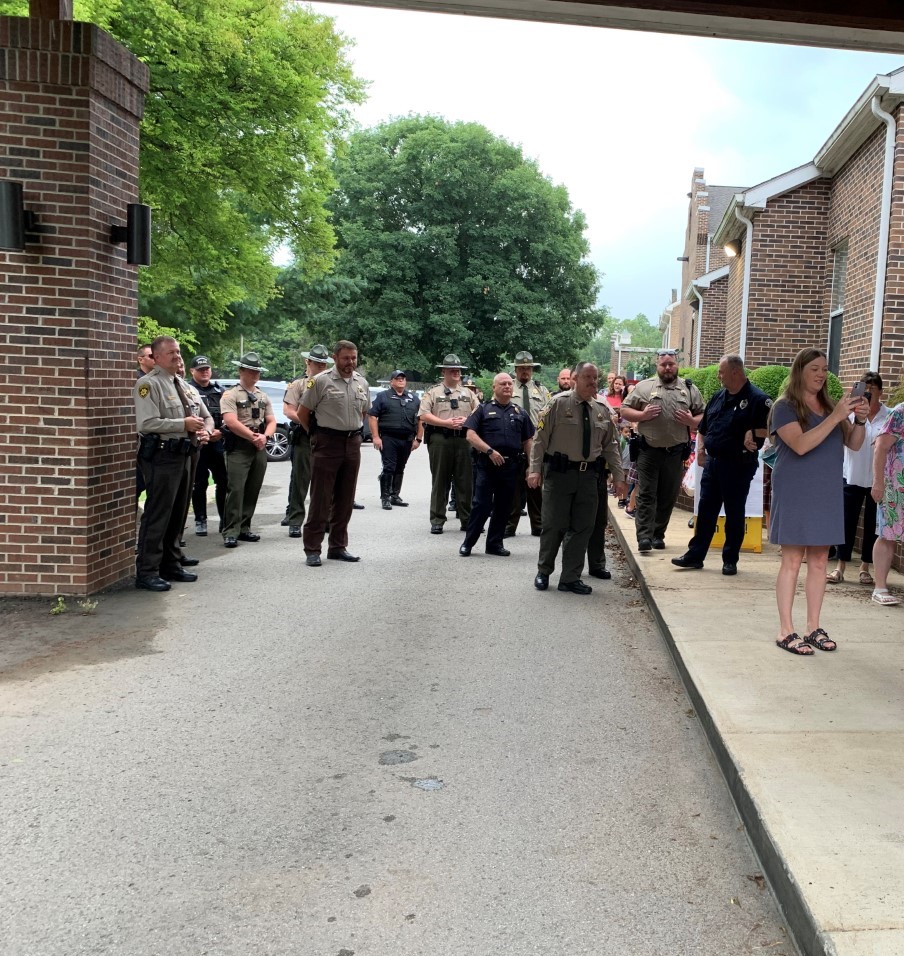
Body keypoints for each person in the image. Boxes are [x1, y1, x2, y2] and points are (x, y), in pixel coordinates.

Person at [768, 347, 866, 654]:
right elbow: (799, 445)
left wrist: (859, 422)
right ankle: (785, 630)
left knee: (821, 561)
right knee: (793, 560)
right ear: (800, 371)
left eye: (825, 369)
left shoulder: (829, 405)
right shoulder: (785, 406)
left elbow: (853, 443)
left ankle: (813, 627)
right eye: (815, 369)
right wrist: (837, 415)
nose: (822, 374)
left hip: (826, 490)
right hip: (796, 489)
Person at [529, 361, 626, 594]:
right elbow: (540, 440)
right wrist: (534, 470)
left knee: (583, 527)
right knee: (554, 525)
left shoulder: (601, 409)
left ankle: (570, 578)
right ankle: (544, 571)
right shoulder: (557, 404)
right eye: (588, 378)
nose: (593, 382)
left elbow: (611, 446)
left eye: (596, 378)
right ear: (575, 379)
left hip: (589, 477)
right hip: (560, 475)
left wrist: (619, 476)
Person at [671, 355, 771, 575]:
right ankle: (695, 555)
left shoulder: (758, 399)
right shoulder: (718, 396)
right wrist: (700, 449)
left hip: (738, 465)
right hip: (713, 464)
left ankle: (730, 559)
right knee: (706, 511)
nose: (718, 375)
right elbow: (705, 427)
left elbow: (772, 430)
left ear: (735, 372)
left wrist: (753, 432)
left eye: (721, 371)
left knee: (734, 514)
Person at [134, 336, 210, 591]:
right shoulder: (148, 385)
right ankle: (147, 570)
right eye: (171, 353)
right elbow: (146, 423)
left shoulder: (185, 386)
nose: (177, 357)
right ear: (155, 358)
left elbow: (206, 416)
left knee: (178, 511)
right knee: (159, 513)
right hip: (163, 456)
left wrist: (205, 431)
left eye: (178, 352)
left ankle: (171, 563)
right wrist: (182, 425)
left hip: (187, 454)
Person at [620, 349, 704, 552]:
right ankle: (644, 537)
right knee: (647, 494)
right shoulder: (643, 387)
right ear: (657, 366)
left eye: (671, 364)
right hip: (648, 451)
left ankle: (658, 534)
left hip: (675, 453)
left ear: (677, 365)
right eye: (663, 364)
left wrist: (692, 421)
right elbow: (624, 409)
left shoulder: (689, 388)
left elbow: (703, 414)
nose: (667, 368)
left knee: (668, 496)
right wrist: (642, 415)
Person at [300, 340, 369, 565]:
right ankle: (312, 549)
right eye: (346, 358)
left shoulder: (361, 383)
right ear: (335, 358)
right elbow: (303, 413)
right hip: (326, 442)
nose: (350, 362)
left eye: (353, 358)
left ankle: (338, 546)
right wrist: (317, 436)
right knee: (321, 498)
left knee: (345, 498)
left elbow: (364, 413)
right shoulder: (320, 381)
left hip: (352, 444)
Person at [460, 373, 535, 557]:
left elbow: (528, 440)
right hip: (487, 465)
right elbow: (470, 435)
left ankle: (494, 543)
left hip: (511, 467)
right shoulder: (483, 410)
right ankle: (468, 543)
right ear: (494, 387)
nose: (508, 386)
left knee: (504, 506)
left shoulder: (519, 412)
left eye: (510, 383)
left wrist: (531, 466)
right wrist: (489, 451)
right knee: (481, 505)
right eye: (503, 384)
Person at [826, 372, 890, 585]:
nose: (869, 392)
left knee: (873, 524)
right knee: (846, 522)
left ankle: (865, 567)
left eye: (873, 388)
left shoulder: (889, 416)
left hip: (877, 480)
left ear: (880, 391)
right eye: (865, 388)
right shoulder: (850, 416)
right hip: (850, 475)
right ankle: (840, 566)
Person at [220, 353, 276, 548]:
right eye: (251, 370)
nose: (255, 374)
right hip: (239, 446)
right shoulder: (231, 394)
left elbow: (271, 421)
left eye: (258, 371)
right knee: (236, 489)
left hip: (259, 445)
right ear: (241, 370)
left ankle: (245, 528)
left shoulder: (262, 395)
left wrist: (265, 437)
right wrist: (252, 437)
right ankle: (231, 530)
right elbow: (230, 421)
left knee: (253, 487)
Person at [418, 354, 477, 535]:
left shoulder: (468, 393)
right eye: (452, 370)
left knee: (465, 481)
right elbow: (423, 415)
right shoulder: (433, 392)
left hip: (463, 440)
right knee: (440, 481)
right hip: (440, 440)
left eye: (458, 370)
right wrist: (446, 423)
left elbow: (479, 413)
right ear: (443, 371)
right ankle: (437, 519)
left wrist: (467, 420)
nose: (456, 372)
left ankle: (467, 520)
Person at [282, 344, 333, 538]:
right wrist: (308, 422)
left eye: (323, 363)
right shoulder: (298, 385)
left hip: (328, 437)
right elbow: (288, 410)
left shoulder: (331, 383)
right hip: (305, 436)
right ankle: (295, 520)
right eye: (316, 363)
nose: (320, 366)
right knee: (300, 480)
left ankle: (325, 519)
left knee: (326, 482)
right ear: (308, 362)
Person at [507, 350, 551, 538]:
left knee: (536, 486)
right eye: (522, 368)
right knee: (513, 486)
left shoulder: (542, 391)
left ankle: (538, 524)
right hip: (513, 441)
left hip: (535, 443)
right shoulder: (509, 388)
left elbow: (549, 416)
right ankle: (510, 525)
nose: (525, 371)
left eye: (528, 368)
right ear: (515, 369)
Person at [368, 370, 423, 509]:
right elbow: (373, 416)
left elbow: (421, 418)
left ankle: (395, 495)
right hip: (388, 438)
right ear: (391, 382)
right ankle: (385, 497)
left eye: (403, 378)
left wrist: (418, 439)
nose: (401, 380)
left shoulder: (414, 398)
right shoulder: (383, 396)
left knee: (400, 467)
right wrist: (375, 437)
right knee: (389, 467)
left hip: (407, 439)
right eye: (397, 378)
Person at [188, 355, 228, 537]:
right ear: (192, 371)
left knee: (223, 482)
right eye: (200, 369)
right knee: (199, 483)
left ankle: (224, 519)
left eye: (207, 369)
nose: (205, 372)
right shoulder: (188, 390)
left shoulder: (220, 390)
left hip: (217, 441)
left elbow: (229, 415)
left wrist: (221, 431)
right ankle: (200, 519)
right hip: (198, 443)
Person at [869, 399, 904, 606]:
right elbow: (880, 447)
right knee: (887, 533)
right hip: (895, 486)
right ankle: (879, 587)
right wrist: (878, 483)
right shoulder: (900, 412)